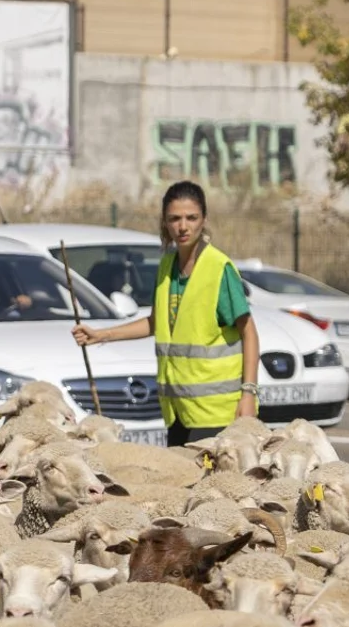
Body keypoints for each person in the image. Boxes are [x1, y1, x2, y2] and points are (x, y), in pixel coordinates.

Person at [72, 181, 261, 446]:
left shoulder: (218, 268)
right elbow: (155, 324)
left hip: (218, 413)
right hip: (178, 412)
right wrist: (101, 335)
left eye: (191, 218)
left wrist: (249, 394)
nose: (183, 226)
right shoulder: (166, 266)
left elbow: (249, 332)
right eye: (174, 219)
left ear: (203, 219)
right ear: (165, 222)